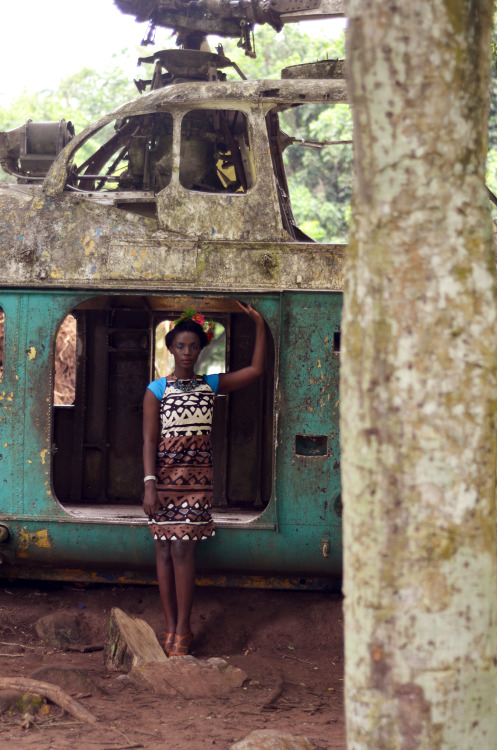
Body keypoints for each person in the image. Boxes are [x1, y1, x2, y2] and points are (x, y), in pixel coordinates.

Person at [142, 302, 266, 656]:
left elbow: (256, 370)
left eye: (193, 346)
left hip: (196, 481)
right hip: (162, 480)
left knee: (182, 547)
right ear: (170, 348)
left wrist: (258, 322)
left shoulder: (210, 384)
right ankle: (170, 628)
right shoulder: (156, 390)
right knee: (163, 549)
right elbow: (149, 440)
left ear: (201, 349)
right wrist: (149, 482)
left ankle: (184, 628)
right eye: (180, 346)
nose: (186, 352)